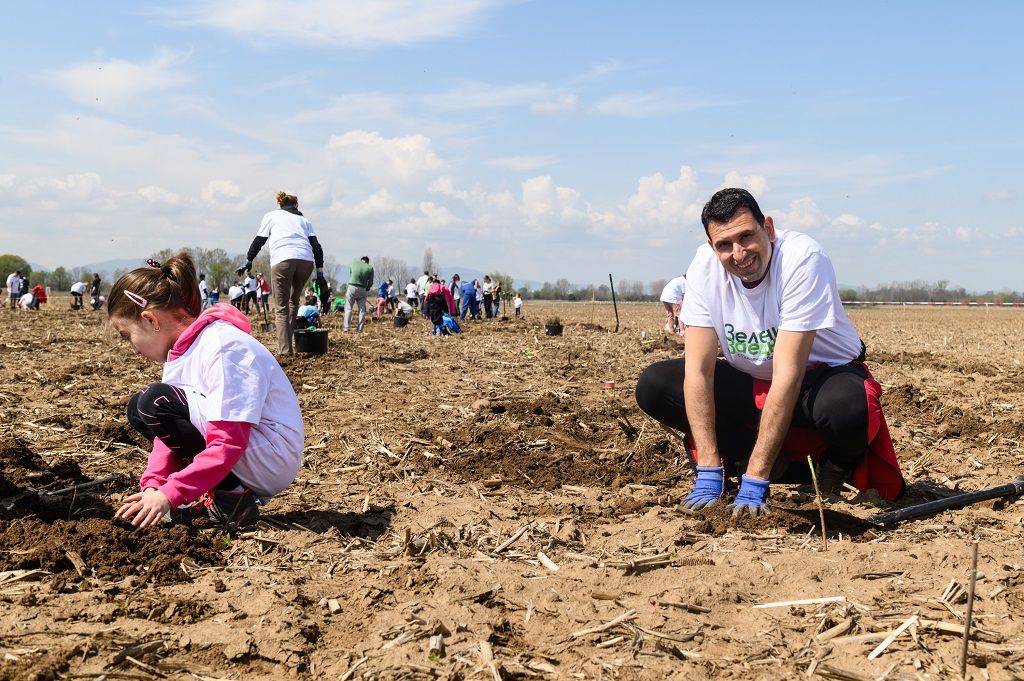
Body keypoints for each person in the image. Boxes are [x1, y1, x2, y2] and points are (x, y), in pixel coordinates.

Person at [635, 188, 904, 519]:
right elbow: (699, 372)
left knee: (848, 406)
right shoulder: (704, 267)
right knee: (655, 385)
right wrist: (707, 469)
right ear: (711, 247)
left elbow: (789, 373)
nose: (738, 253)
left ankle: (834, 468)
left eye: (746, 236)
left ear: (769, 229)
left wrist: (756, 479)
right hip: (752, 379)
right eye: (724, 245)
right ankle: (740, 458)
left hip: (816, 379)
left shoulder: (803, 259)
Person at [108, 254, 304, 529]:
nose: (134, 349)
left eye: (128, 336)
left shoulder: (223, 346)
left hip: (270, 455)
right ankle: (221, 493)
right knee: (139, 406)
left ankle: (230, 499)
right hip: (249, 451)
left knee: (154, 402)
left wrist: (171, 493)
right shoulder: (180, 354)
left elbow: (228, 442)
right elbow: (168, 438)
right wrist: (155, 485)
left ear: (151, 319)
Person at [240, 191, 326, 355]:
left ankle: (286, 351)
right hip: (306, 262)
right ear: (296, 205)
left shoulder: (271, 216)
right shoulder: (304, 220)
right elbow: (317, 247)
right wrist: (320, 273)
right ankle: (290, 345)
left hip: (283, 261)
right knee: (294, 301)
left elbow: (259, 240)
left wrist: (248, 260)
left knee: (281, 308)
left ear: (280, 204)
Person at [344, 256, 374, 332]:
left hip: (352, 287)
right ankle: (359, 330)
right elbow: (370, 282)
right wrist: (367, 289)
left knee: (348, 308)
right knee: (361, 310)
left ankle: (346, 328)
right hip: (362, 288)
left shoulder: (353, 264)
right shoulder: (370, 268)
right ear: (367, 262)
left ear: (361, 260)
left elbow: (351, 275)